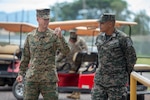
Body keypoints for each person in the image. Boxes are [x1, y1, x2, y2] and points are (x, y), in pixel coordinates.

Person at [16, 8, 70, 100]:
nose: (46, 21)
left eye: (48, 19)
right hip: (32, 78)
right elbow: (25, 57)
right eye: (44, 19)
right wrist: (20, 73)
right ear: (37, 19)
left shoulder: (54, 36)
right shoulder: (30, 37)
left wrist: (61, 37)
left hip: (49, 80)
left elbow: (66, 52)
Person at [91, 13, 137, 100]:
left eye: (102, 23)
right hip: (100, 80)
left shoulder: (123, 38)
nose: (99, 25)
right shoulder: (99, 37)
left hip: (116, 83)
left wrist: (124, 73)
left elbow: (131, 58)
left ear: (110, 24)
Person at [56, 29, 88, 99]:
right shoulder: (67, 42)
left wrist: (83, 66)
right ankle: (74, 92)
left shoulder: (81, 42)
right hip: (68, 63)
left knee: (79, 73)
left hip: (78, 64)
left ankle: (77, 93)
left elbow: (85, 54)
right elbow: (62, 54)